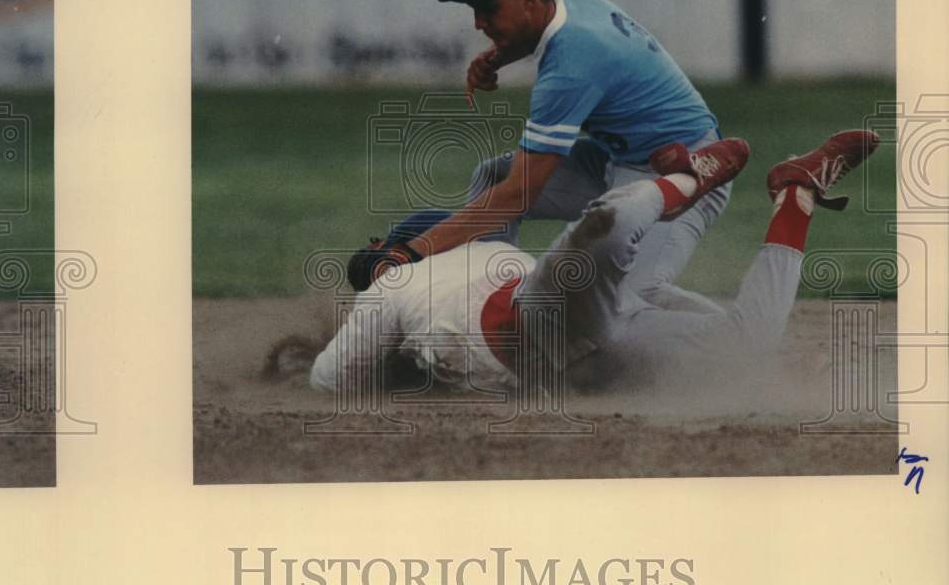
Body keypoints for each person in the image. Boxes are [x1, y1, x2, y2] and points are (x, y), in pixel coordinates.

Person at [309, 129, 879, 394]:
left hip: (543, 320)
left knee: (603, 228)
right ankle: (797, 193)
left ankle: (679, 178)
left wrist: (390, 350)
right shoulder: (484, 249)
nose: (379, 263)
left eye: (384, 253)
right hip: (598, 350)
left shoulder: (421, 272)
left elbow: (328, 380)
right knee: (745, 341)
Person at [393, 0, 732, 315]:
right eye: (474, 8)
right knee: (493, 177)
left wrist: (412, 250)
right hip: (620, 162)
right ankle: (490, 308)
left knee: (630, 297)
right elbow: (528, 30)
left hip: (688, 171)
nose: (478, 22)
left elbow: (518, 193)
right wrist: (498, 56)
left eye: (488, 7)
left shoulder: (573, 63)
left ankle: (740, 340)